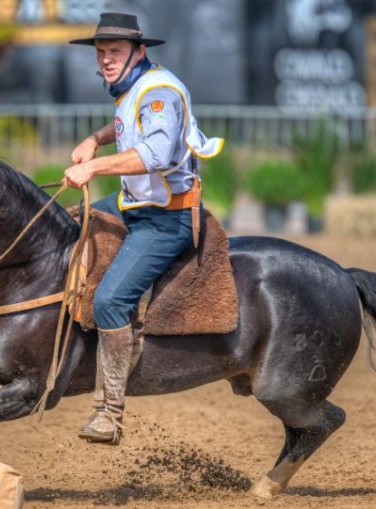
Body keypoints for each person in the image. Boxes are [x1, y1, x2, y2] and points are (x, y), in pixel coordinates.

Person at [64, 12, 223, 445]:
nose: (107, 60)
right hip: (135, 204)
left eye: (115, 52)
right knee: (67, 225)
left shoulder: (160, 93)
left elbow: (153, 151)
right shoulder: (135, 87)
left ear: (140, 51)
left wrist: (94, 166)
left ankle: (109, 413)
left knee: (111, 300)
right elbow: (128, 127)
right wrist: (96, 139)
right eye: (101, 54)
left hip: (167, 217)